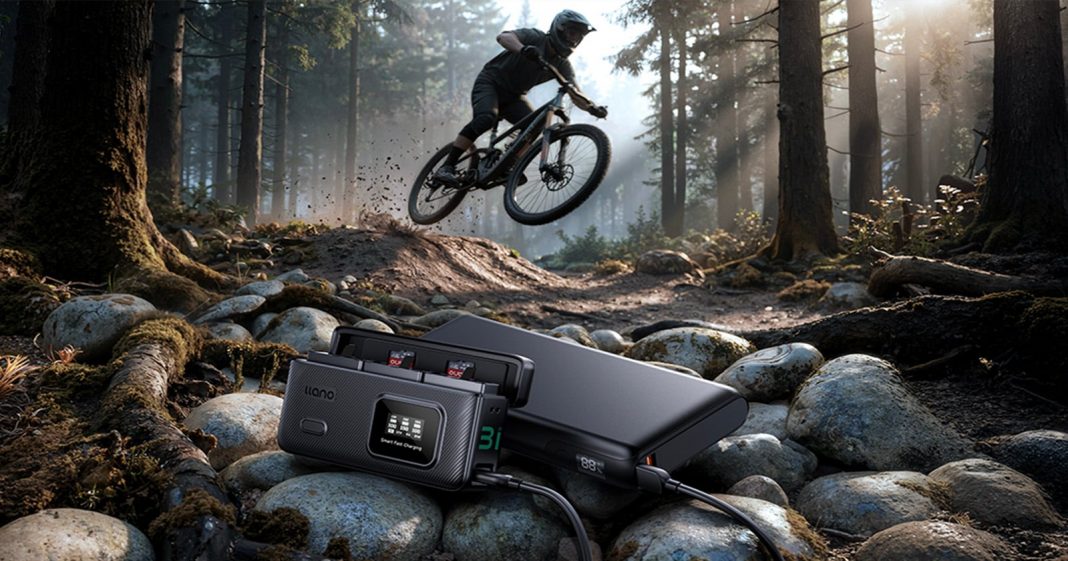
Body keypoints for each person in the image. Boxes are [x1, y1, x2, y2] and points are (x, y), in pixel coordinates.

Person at [434, 9, 608, 187]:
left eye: (579, 37)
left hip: (514, 97)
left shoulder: (563, 64)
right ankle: (446, 167)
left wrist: (592, 107)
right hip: (491, 82)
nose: (574, 39)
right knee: (486, 118)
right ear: (560, 29)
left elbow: (574, 92)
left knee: (535, 125)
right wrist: (523, 49)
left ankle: (508, 163)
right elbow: (503, 37)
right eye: (572, 33)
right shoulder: (536, 37)